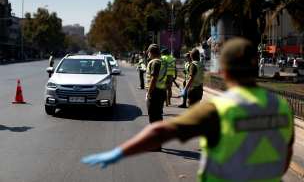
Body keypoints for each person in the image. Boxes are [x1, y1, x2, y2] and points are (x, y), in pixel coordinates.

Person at [82, 38, 294, 182]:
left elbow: (159, 132)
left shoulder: (220, 109)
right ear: (256, 65)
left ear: (225, 71)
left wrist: (119, 152)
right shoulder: (281, 108)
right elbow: (285, 159)